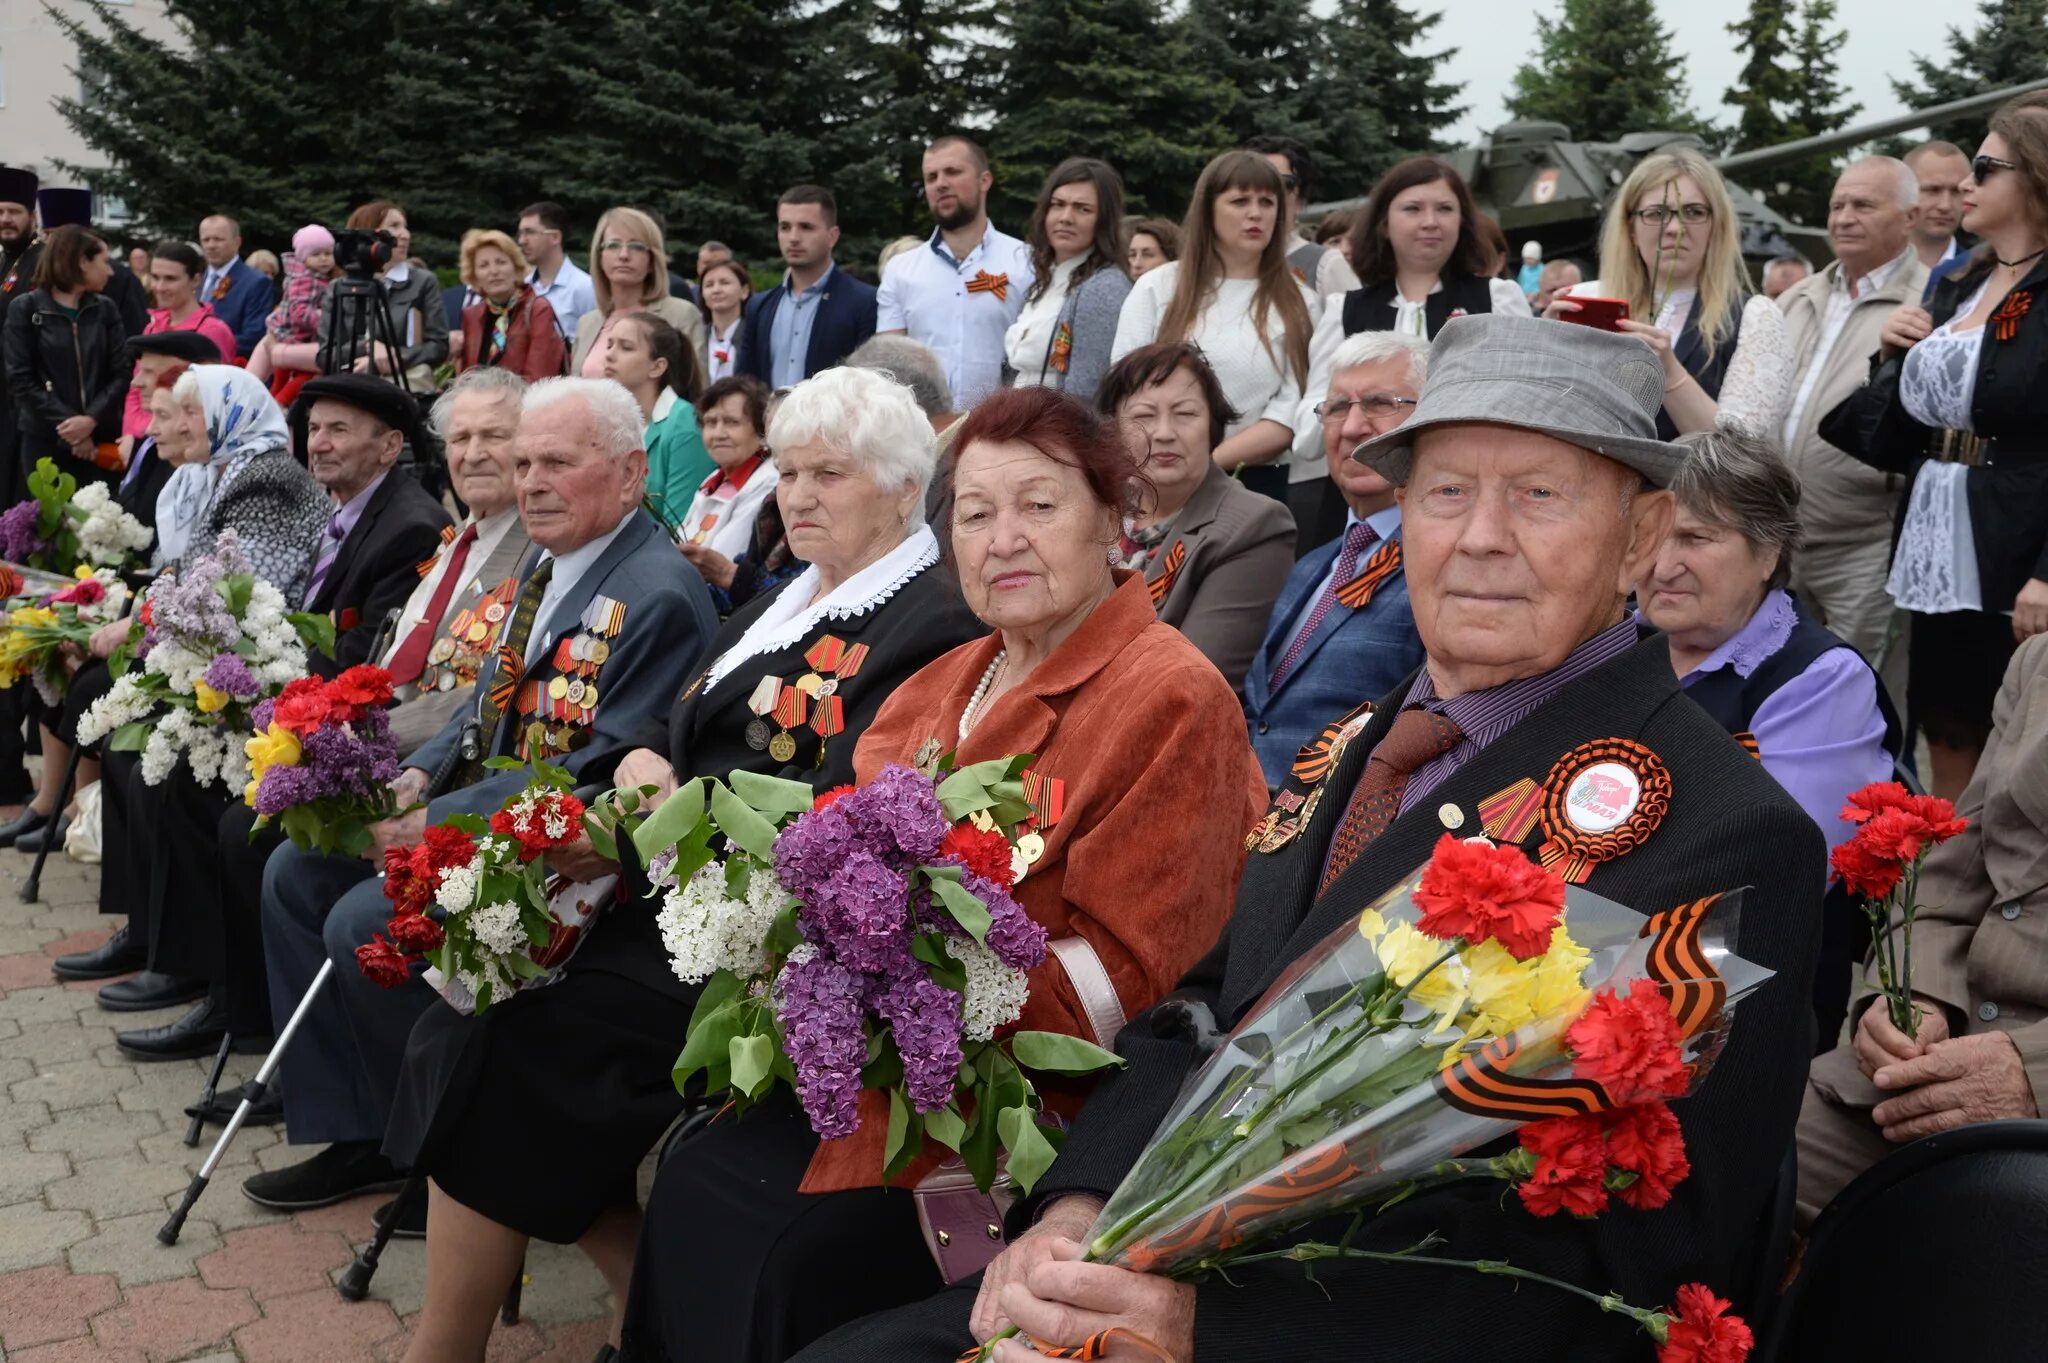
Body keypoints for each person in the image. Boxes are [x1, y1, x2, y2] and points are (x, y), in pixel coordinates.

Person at [789, 312, 1823, 1363]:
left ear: (1641, 537)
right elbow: (1204, 1006)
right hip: (1143, 1259)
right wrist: (1075, 1204)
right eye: (1445, 492)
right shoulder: (1361, 745)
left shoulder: (1721, 831)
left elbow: (1640, 1265)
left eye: (1538, 495)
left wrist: (1211, 1332)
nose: (1478, 537)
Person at [621, 383, 1266, 1363]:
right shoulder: (940, 679)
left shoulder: (1168, 694)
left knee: (782, 1247)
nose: (1003, 537)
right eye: (974, 513)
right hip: (879, 1071)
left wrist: (913, 995)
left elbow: (1138, 983)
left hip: (1019, 1121)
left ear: (1111, 521)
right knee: (698, 1173)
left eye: (1039, 506)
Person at [379, 365, 982, 1361]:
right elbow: (681, 718)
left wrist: (642, 817)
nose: (796, 495)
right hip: (658, 897)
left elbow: (840, 811)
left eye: (826, 473)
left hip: (765, 947)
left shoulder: (929, 621)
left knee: (516, 1047)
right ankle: (623, 1286)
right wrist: (651, 764)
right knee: (465, 1014)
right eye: (787, 473)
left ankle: (450, 1348)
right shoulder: (796, 592)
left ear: (901, 483)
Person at [243, 376, 718, 1214]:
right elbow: (482, 697)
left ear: (630, 473)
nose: (530, 480)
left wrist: (436, 820)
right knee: (295, 869)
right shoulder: (549, 556)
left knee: (363, 920)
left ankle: (446, 1155)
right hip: (478, 807)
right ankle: (360, 1129)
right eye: (524, 459)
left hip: (558, 857)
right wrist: (418, 771)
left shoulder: (656, 595)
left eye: (558, 462)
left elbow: (605, 769)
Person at [136, 369, 541, 1089]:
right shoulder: (461, 538)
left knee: (258, 834)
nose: (474, 453)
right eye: (462, 438)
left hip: (436, 768)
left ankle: (304, 1057)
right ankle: (277, 1042)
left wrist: (349, 740)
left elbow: (476, 698)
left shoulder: (526, 551)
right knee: (232, 811)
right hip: (383, 742)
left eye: (495, 437)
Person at [54, 368, 332, 1022]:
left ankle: (185, 956)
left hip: (266, 667)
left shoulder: (266, 476)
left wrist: (145, 621)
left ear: (228, 412)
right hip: (232, 655)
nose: (172, 425)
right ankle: (153, 931)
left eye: (191, 412)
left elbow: (238, 585)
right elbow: (189, 573)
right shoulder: (228, 469)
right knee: (123, 729)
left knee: (160, 755)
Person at [1638, 429, 1897, 1044]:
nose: (1662, 564)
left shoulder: (1818, 680)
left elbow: (1780, 875)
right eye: (1649, 535)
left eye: (1697, 538)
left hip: (1738, 1005)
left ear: (1768, 552)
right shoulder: (1614, 644)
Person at [1828, 93, 2048, 803]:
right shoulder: (1959, 280)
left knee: (2024, 752)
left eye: (1984, 168)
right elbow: (1902, 435)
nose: (1962, 188)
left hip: (2019, 551)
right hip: (1938, 542)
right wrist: (1892, 360)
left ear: (2038, 177)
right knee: (1949, 731)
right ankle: (1950, 905)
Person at [1797, 632, 2048, 1223]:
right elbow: (1958, 869)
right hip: (1930, 1061)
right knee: (1721, 1153)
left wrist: (2032, 1070)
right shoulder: (2037, 663)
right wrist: (1909, 994)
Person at [1295, 159, 1531, 549]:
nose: (1430, 222)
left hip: (1465, 499)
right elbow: (1307, 428)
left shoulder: (1497, 300)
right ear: (1384, 223)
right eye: (1412, 209)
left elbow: (1521, 403)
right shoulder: (1345, 309)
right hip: (1362, 506)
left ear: (1463, 221)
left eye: (1444, 209)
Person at [1243, 331, 1429, 789]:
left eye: (1380, 403)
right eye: (1338, 408)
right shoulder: (1312, 564)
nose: (1351, 428)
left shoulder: (1442, 562)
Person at [1775, 158, 1928, 704]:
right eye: (1837, 204)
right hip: (1780, 539)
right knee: (1776, 697)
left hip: (1866, 542)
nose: (1843, 217)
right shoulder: (1796, 298)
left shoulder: (1932, 303)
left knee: (1856, 701)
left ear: (1909, 217)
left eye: (1863, 204)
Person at [1110, 150, 1314, 508]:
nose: (1256, 213)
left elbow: (1289, 414)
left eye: (1267, 202)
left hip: (1256, 483)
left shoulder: (1301, 303)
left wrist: (1205, 464)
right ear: (1208, 208)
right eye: (1240, 200)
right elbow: (1125, 394)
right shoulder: (1158, 287)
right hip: (1156, 478)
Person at [1547, 148, 1792, 442]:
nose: (1674, 228)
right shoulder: (1586, 299)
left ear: (1716, 226)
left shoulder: (1755, 317)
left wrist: (1669, 375)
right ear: (1631, 229)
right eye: (1656, 214)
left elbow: (1739, 453)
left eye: (1694, 212)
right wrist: (1546, 352)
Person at [1097, 342, 1293, 693]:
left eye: (1185, 414)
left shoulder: (1255, 524)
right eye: (1143, 416)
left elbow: (1192, 681)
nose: (1164, 432)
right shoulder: (1093, 513)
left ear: (1213, 428)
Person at [878, 134, 1035, 408]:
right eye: (931, 177)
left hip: (1001, 431)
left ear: (984, 180)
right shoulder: (900, 270)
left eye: (952, 172)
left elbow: (1035, 358)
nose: (941, 184)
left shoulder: (1026, 261)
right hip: (922, 434)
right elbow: (890, 366)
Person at [1, 223, 128, 485]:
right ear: (82, 262)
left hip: (99, 437)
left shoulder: (105, 309)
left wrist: (91, 419)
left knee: (100, 521)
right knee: (49, 521)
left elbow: (121, 371)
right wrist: (71, 425)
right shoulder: (26, 308)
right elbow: (20, 378)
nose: (110, 271)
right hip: (44, 438)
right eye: (104, 261)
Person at [1005, 158, 1132, 402]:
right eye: (1058, 205)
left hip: (1060, 434)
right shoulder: (1042, 282)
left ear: (1103, 220)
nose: (1066, 217)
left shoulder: (1105, 289)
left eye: (1082, 209)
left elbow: (1087, 396)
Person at [736, 185, 879, 387]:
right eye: (785, 227)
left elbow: (869, 384)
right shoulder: (760, 305)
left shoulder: (864, 302)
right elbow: (746, 382)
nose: (793, 238)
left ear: (833, 236)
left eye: (806, 227)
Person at [316, 201, 450, 388]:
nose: (405, 235)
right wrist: (369, 348)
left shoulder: (422, 282)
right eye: (394, 226)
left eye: (405, 227)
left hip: (403, 385)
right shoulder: (338, 288)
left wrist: (390, 359)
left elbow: (438, 347)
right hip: (350, 383)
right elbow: (325, 356)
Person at [118, 241, 237, 452]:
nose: (160, 287)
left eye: (170, 279)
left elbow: (215, 400)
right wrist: (132, 434)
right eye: (155, 277)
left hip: (185, 444)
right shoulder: (153, 327)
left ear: (195, 280)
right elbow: (136, 388)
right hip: (146, 438)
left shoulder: (212, 330)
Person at [602, 310, 710, 527]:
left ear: (657, 366)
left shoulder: (685, 425)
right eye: (609, 345)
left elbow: (677, 528)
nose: (609, 355)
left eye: (626, 347)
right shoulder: (609, 419)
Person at [573, 206, 707, 375]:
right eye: (613, 245)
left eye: (636, 246)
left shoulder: (681, 315)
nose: (623, 255)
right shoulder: (586, 323)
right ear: (600, 257)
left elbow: (696, 390)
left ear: (652, 260)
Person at [1245, 133, 1363, 302]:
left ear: (1301, 200)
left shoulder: (1325, 266)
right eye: (1253, 182)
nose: (1265, 193)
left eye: (1281, 183)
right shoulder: (1217, 265)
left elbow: (1361, 327)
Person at [676, 374, 777, 560]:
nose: (718, 434)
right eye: (710, 422)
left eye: (732, 422)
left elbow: (721, 557)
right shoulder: (714, 478)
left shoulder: (768, 482)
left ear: (761, 429)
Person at [454, 229, 568, 383]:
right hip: (478, 403)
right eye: (483, 265)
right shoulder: (471, 316)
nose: (493, 271)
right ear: (474, 276)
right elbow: (466, 377)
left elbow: (539, 379)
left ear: (516, 268)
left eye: (501, 262)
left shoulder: (538, 310)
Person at [246, 225, 340, 388]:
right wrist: (325, 319)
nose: (323, 259)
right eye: (316, 254)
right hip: (290, 334)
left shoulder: (321, 278)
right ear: (303, 258)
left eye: (328, 253)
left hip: (300, 337)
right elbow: (299, 313)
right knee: (285, 380)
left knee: (287, 380)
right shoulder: (304, 280)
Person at [516, 200, 596, 343]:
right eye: (520, 233)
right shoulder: (522, 288)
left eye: (530, 232)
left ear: (555, 237)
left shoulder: (584, 288)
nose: (522, 241)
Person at [196, 214, 272, 357]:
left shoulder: (256, 282)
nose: (211, 245)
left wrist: (199, 347)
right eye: (206, 240)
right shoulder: (195, 279)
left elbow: (253, 337)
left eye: (218, 239)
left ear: (237, 242)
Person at [1905, 139, 1972, 286]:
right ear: (1905, 192)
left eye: (1956, 191)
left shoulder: (1981, 274)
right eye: (1933, 190)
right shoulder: (1871, 268)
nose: (1945, 205)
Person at [698, 256, 751, 382]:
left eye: (725, 283)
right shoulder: (697, 337)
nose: (716, 290)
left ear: (744, 291)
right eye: (709, 285)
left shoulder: (754, 336)